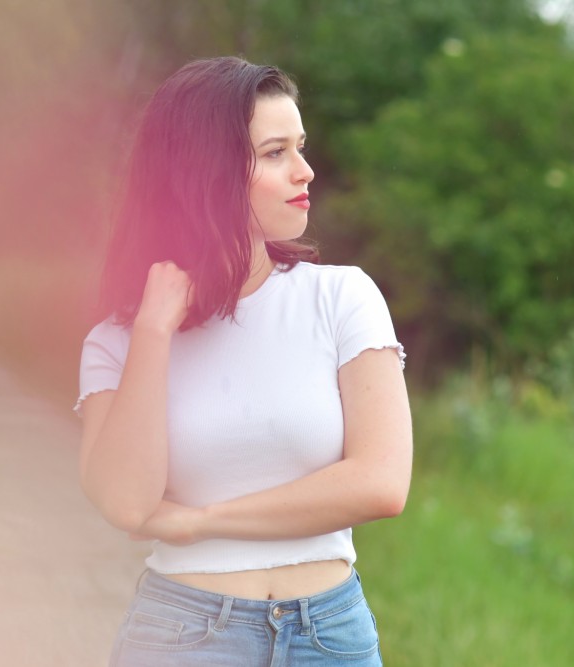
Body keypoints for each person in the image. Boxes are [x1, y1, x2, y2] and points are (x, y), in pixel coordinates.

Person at [74, 56, 412, 666]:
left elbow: (382, 482)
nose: (305, 171)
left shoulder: (341, 297)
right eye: (276, 152)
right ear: (209, 172)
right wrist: (153, 332)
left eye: (300, 148)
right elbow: (125, 502)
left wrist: (203, 521)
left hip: (330, 635)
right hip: (182, 635)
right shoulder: (117, 340)